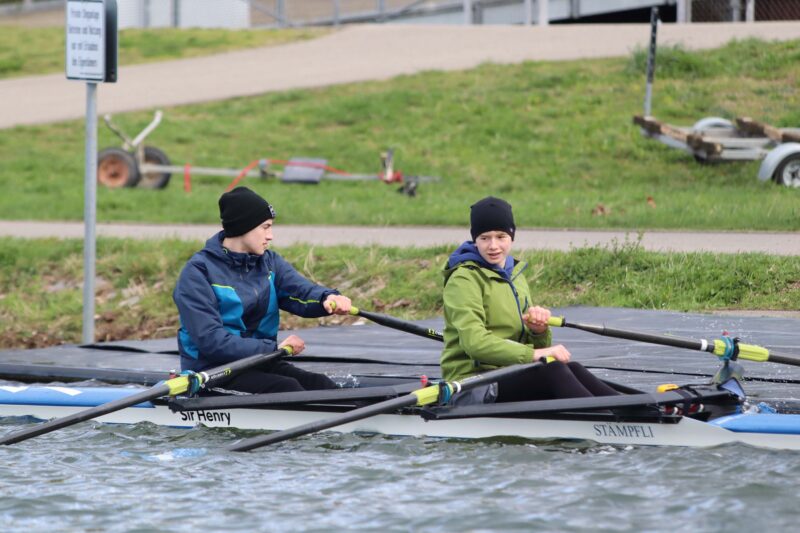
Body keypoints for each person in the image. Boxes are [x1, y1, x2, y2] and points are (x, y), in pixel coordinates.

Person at [440, 196, 620, 405]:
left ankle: (632, 410)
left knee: (573, 368)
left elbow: (531, 346)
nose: (493, 245)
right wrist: (536, 353)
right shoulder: (463, 279)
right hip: (472, 383)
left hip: (510, 372)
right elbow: (475, 344)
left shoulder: (514, 275)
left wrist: (538, 331)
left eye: (501, 236)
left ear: (512, 237)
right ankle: (607, 419)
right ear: (475, 239)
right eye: (485, 238)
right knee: (554, 371)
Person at [173, 186, 352, 394]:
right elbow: (211, 341)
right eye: (265, 227)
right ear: (243, 227)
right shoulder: (197, 273)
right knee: (287, 388)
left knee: (320, 383)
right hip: (212, 371)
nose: (270, 236)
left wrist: (328, 298)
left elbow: (301, 291)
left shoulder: (269, 262)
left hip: (259, 360)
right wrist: (273, 348)